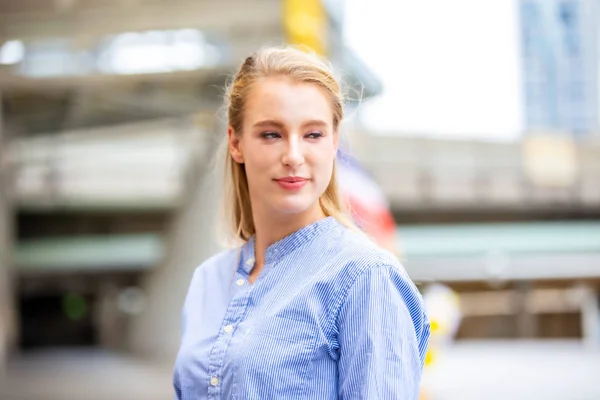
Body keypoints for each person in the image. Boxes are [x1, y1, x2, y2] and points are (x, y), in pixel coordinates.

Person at [173, 45, 430, 399]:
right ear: (236, 144)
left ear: (335, 141)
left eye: (313, 134)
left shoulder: (365, 279)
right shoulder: (208, 281)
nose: (293, 156)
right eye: (271, 134)